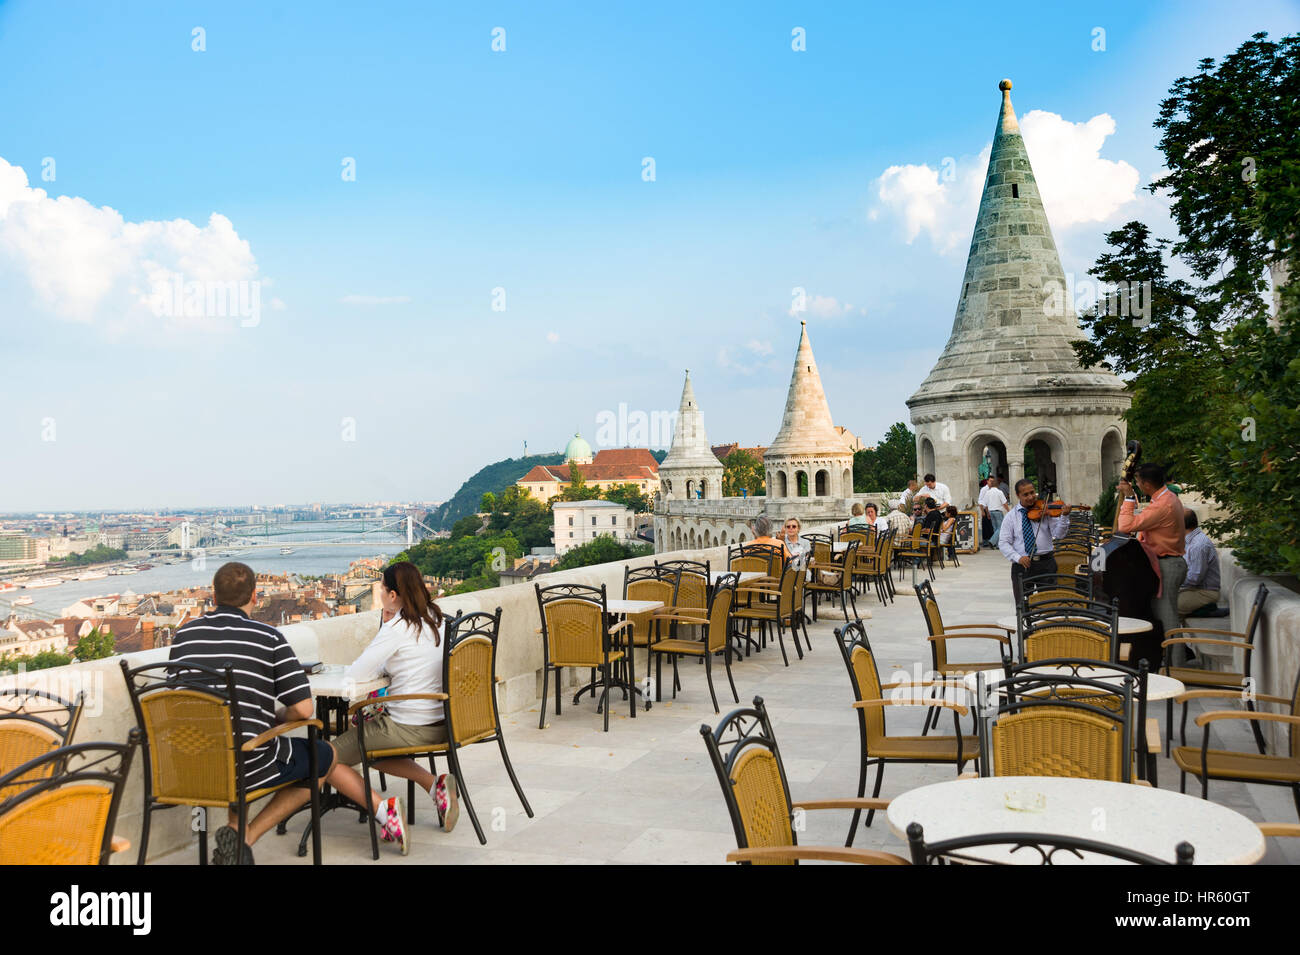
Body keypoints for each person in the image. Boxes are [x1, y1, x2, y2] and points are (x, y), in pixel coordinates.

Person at [170, 562, 406, 863]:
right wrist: (278, 717)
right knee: (323, 756)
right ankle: (246, 838)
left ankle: (236, 836)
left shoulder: (183, 637)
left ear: (213, 597)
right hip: (245, 763)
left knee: (237, 742)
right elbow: (304, 710)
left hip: (189, 762)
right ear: (255, 596)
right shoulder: (267, 638)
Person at [326, 561, 461, 840]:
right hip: (443, 722)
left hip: (407, 726)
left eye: (383, 590)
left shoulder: (398, 627)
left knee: (325, 758)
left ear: (393, 596)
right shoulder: (438, 619)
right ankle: (435, 784)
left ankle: (384, 812)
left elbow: (355, 674)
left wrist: (385, 628)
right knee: (373, 754)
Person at [1118, 463, 1187, 658]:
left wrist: (1130, 497)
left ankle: (1176, 667)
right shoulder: (1166, 498)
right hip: (1165, 563)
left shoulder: (1163, 504)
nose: (1137, 485)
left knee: (1168, 619)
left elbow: (1126, 525)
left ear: (1147, 484)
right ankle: (1169, 661)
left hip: (1167, 564)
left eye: (1138, 482)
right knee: (1165, 616)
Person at [998, 479, 1072, 607]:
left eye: (1032, 493)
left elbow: (1059, 534)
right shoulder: (1011, 517)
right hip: (1022, 565)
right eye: (1025, 495)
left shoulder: (1046, 512)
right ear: (1018, 496)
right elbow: (1003, 543)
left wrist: (1064, 517)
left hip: (1046, 563)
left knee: (1048, 605)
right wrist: (1018, 557)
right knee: (1023, 607)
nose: (1031, 497)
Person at [1179, 511, 1220, 616]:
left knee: (1168, 607)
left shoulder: (1198, 545)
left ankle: (1175, 632)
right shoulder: (1190, 541)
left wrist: (1173, 580)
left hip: (1205, 593)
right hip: (1194, 590)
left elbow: (1194, 578)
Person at [979, 475, 1009, 549]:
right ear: (997, 485)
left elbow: (984, 504)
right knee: (1000, 528)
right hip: (998, 512)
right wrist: (1009, 510)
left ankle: (998, 545)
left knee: (995, 529)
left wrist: (987, 513)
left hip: (991, 512)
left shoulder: (988, 492)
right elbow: (1004, 503)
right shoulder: (999, 492)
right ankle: (992, 541)